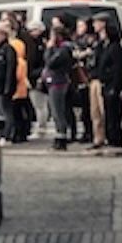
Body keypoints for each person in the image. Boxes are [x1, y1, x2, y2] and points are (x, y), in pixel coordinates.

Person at [95, 18, 122, 152]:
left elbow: (117, 69)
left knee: (114, 115)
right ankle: (110, 138)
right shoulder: (105, 47)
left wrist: (114, 87)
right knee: (108, 114)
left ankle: (115, 139)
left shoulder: (115, 49)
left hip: (113, 86)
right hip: (106, 84)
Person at [41, 21, 76, 149]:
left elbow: (50, 62)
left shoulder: (64, 50)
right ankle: (59, 135)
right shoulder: (59, 49)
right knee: (55, 111)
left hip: (58, 82)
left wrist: (49, 48)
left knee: (58, 111)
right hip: (53, 82)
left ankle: (62, 137)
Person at [69, 20, 95, 145]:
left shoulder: (90, 40)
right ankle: (86, 131)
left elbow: (88, 54)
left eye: (81, 25)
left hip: (87, 76)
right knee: (83, 108)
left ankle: (90, 132)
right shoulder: (75, 40)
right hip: (78, 77)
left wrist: (82, 54)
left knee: (88, 108)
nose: (79, 28)